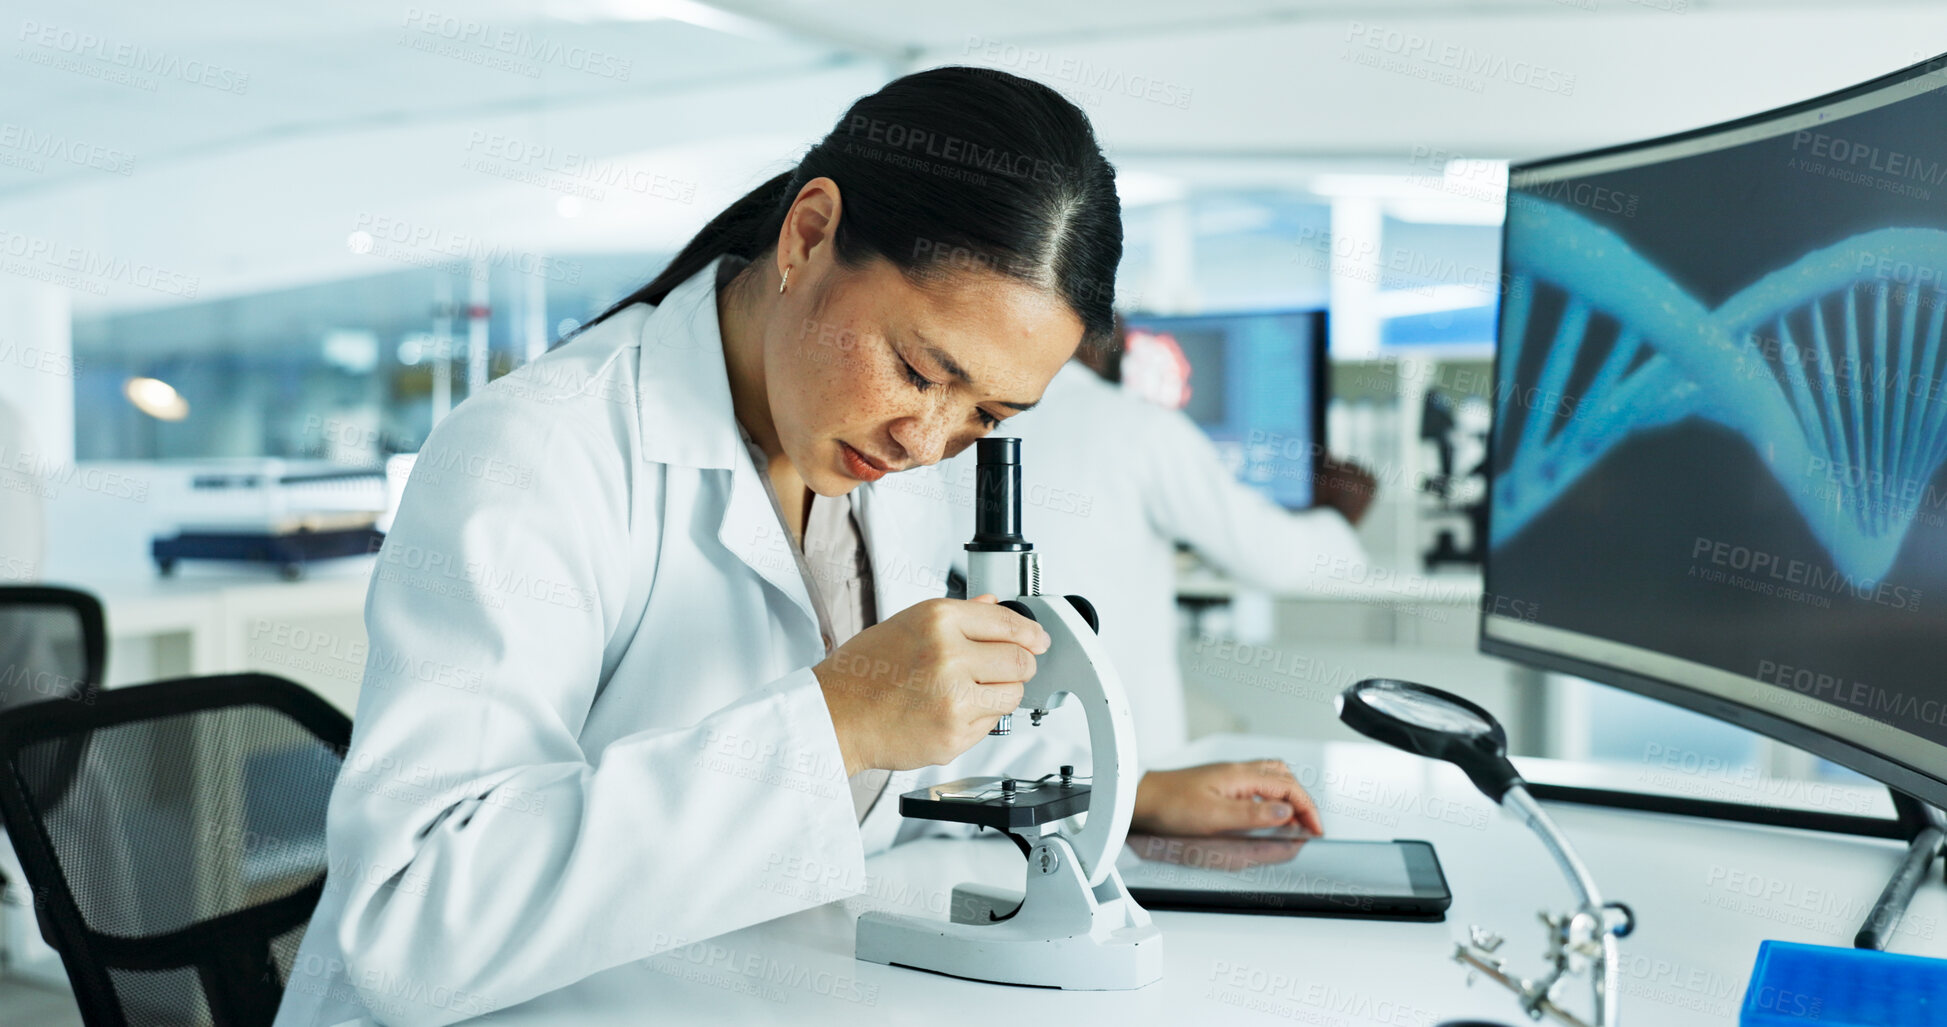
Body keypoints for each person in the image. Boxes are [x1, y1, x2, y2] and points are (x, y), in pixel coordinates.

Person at [275, 67, 1324, 1027]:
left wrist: (1119, 794)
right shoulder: (538, 456)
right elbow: (413, 927)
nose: (927, 440)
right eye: (918, 368)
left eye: (986, 414)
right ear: (810, 232)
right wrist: (833, 719)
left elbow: (897, 767)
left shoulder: (869, 465)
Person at [929, 329, 1377, 760]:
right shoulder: (1136, 425)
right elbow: (1276, 559)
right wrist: (1340, 516)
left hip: (959, 750)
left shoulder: (946, 422)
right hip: (1109, 764)